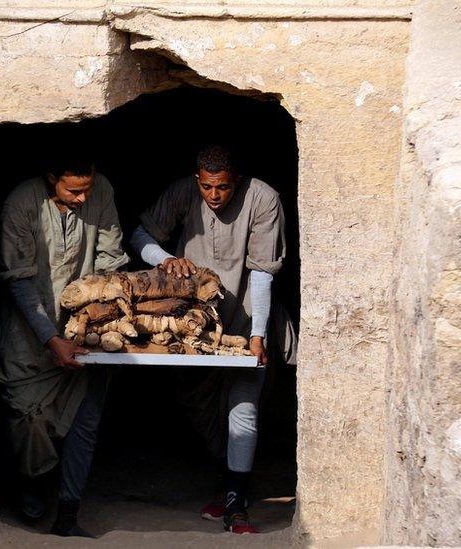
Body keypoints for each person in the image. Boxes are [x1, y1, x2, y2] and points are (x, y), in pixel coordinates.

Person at [130, 145, 286, 534]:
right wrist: (164, 258)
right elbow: (140, 234)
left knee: (243, 407)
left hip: (248, 317)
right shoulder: (183, 192)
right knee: (198, 405)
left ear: (237, 180)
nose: (214, 196)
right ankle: (230, 483)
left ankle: (236, 505)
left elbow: (263, 272)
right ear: (196, 179)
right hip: (192, 324)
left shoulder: (263, 198)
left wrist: (257, 334)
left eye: (223, 188)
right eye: (206, 187)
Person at [0, 140, 129, 538]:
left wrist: (95, 318)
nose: (84, 196)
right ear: (51, 179)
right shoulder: (21, 204)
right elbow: (18, 280)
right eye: (74, 190)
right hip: (28, 339)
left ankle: (69, 513)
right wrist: (52, 339)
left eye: (87, 187)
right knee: (26, 420)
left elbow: (109, 257)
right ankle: (34, 484)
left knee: (85, 425)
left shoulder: (100, 189)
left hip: (87, 332)